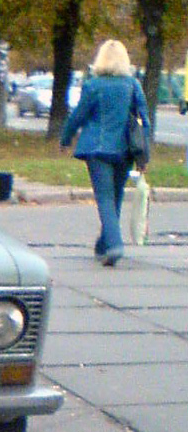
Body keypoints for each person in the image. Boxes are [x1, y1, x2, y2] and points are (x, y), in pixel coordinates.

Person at [60, 40, 150, 266]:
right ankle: (104, 244)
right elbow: (144, 121)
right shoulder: (132, 85)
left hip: (97, 150)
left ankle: (114, 245)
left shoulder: (94, 85)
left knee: (105, 198)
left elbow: (78, 116)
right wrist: (143, 155)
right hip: (125, 150)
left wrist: (66, 138)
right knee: (115, 196)